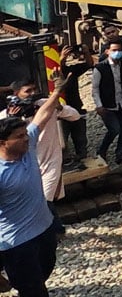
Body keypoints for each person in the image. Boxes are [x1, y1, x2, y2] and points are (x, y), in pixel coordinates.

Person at [0, 74, 68, 297]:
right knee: (33, 290)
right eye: (19, 136)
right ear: (3, 143)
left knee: (44, 272)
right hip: (17, 243)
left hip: (45, 230)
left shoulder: (26, 147)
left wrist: (57, 91)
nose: (27, 138)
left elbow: (43, 115)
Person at [8, 79, 81, 235]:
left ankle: (50, 233)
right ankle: (57, 229)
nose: (33, 93)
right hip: (28, 166)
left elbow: (75, 116)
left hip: (50, 161)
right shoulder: (8, 113)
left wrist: (59, 107)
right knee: (39, 200)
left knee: (44, 199)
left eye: (34, 89)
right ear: (16, 94)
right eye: (28, 91)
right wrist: (11, 119)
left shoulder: (46, 104)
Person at [91, 38, 122, 164]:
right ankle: (101, 152)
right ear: (107, 51)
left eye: (119, 50)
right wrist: (99, 105)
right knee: (114, 129)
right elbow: (95, 89)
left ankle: (120, 154)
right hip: (108, 106)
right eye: (114, 50)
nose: (117, 52)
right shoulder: (100, 68)